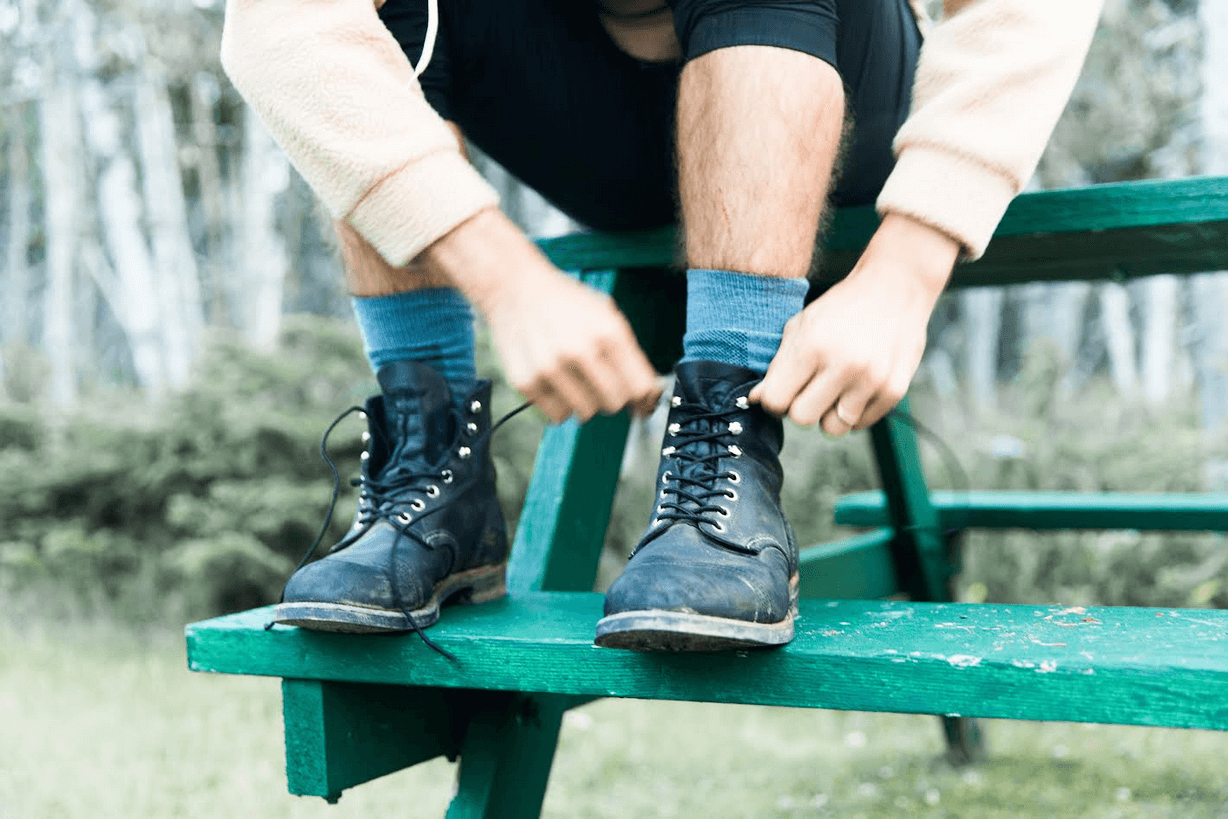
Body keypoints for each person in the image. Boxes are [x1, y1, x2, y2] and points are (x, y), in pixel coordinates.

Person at [220, 0, 1102, 649]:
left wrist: (908, 268)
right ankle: (436, 465)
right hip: (600, 122)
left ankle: (725, 460)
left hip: (831, 77)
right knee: (377, 24)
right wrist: (509, 278)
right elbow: (272, 24)